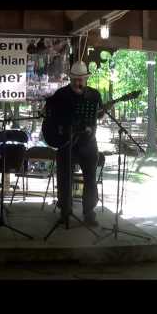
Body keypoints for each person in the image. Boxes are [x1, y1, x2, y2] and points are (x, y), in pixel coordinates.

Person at [45, 61, 110, 226]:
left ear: (85, 79)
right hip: (66, 143)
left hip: (88, 144)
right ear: (71, 78)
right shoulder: (60, 94)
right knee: (64, 178)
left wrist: (101, 114)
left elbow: (100, 116)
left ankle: (89, 213)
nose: (78, 83)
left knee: (90, 179)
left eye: (81, 79)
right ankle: (65, 212)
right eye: (75, 79)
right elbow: (49, 115)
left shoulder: (94, 95)